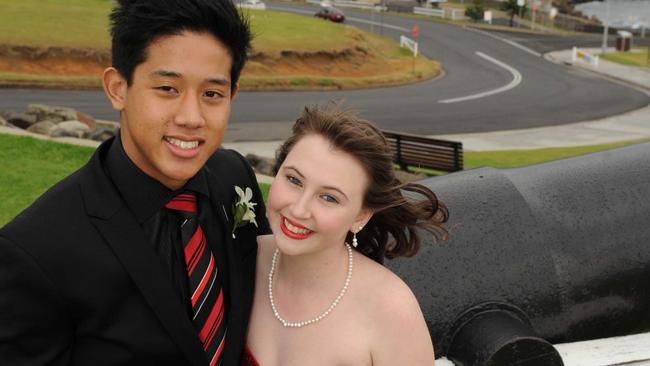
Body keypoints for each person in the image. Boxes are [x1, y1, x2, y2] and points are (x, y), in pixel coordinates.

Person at [0, 1, 269, 365]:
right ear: (117, 88)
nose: (192, 118)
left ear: (232, 95)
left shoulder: (234, 177)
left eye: (212, 94)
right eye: (167, 88)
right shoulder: (35, 251)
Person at [243, 105, 449, 365]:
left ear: (361, 216)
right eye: (294, 180)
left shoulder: (391, 310)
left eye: (329, 197)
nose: (299, 208)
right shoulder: (242, 258)